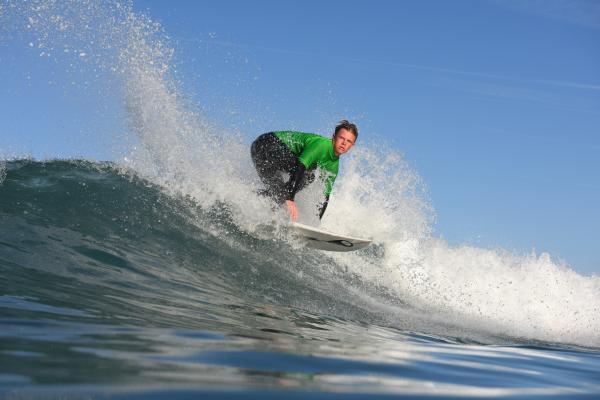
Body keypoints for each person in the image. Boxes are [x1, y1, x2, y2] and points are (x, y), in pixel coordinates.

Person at [251, 120, 358, 221]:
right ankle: (282, 199)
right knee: (309, 174)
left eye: (348, 141)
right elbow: (300, 167)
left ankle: (248, 198)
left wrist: (316, 224)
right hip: (266, 144)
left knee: (277, 194)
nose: (344, 143)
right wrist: (289, 198)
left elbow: (325, 196)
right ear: (334, 138)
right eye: (341, 138)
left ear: (352, 146)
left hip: (265, 153)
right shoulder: (321, 145)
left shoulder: (334, 166)